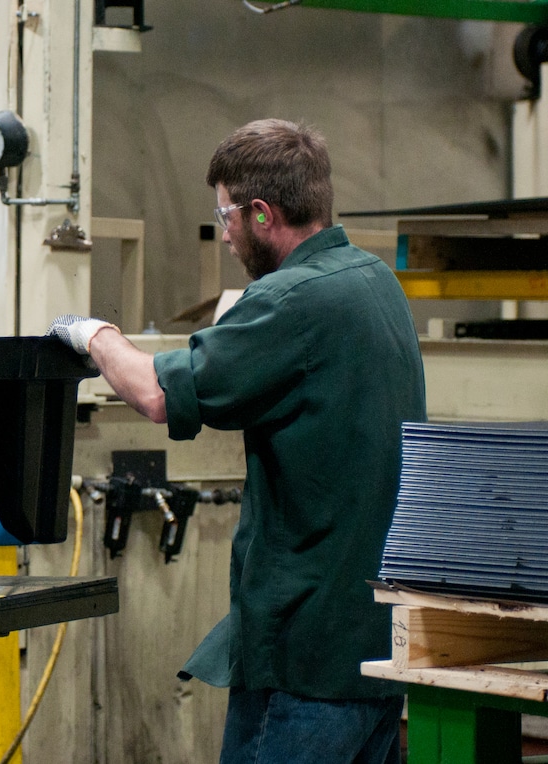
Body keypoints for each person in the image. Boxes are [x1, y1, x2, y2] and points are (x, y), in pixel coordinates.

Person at [48, 119, 425, 764]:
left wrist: (90, 334)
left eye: (225, 216)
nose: (223, 234)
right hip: (374, 649)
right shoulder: (375, 282)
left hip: (304, 662)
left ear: (261, 214)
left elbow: (158, 393)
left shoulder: (292, 300)